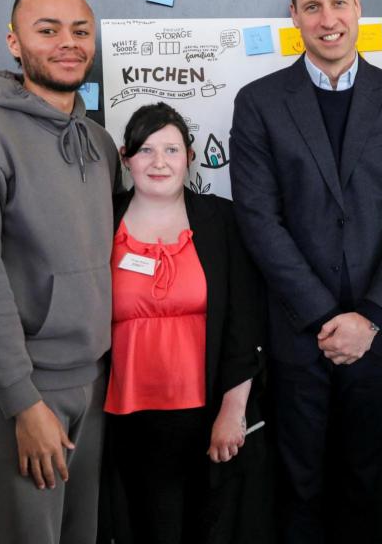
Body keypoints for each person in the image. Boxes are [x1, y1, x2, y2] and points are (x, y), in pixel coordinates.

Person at [229, 0, 382, 543]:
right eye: (313, 6)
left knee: (370, 488)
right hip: (299, 340)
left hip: (381, 339)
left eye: (338, 2)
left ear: (358, 8)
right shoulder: (260, 102)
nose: (328, 18)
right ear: (293, 15)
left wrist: (368, 318)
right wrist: (326, 318)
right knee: (298, 491)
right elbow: (260, 221)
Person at [0, 0, 119, 544]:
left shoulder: (98, 142)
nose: (68, 42)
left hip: (92, 382)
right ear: (14, 42)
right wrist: (22, 402)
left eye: (80, 30)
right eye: (48, 30)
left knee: (79, 535)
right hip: (20, 389)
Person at [106, 102, 268, 544]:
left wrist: (233, 412)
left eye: (172, 150)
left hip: (208, 415)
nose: (159, 162)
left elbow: (244, 323)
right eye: (146, 150)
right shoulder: (101, 220)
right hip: (126, 420)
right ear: (125, 158)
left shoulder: (223, 221)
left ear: (190, 158)